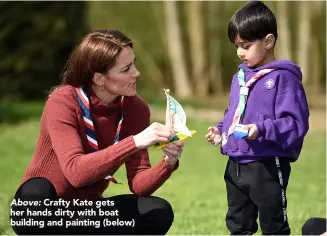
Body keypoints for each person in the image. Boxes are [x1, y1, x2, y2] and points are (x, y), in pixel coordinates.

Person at [10, 29, 184, 235]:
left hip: (87, 213)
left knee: (158, 211)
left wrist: (167, 163)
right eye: (126, 69)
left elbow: (139, 184)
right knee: (34, 196)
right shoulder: (63, 101)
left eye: (134, 63)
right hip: (44, 209)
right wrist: (135, 141)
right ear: (99, 78)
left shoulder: (136, 109)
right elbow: (76, 173)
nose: (136, 72)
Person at [205, 1, 309, 235]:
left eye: (246, 45)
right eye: (236, 46)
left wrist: (260, 129)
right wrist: (221, 129)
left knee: (274, 226)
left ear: (269, 41)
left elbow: (295, 124)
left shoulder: (285, 79)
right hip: (236, 164)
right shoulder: (239, 77)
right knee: (238, 224)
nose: (240, 52)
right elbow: (234, 113)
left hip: (267, 164)